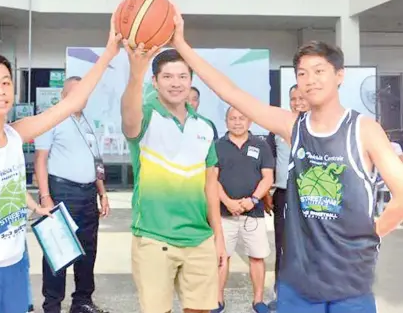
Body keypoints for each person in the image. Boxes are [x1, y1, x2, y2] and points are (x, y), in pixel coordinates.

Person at [170, 11, 403, 313]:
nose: (310, 80)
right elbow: (232, 93)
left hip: (350, 282)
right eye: (302, 73)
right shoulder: (294, 127)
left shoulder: (363, 130)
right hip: (298, 282)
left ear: (339, 75)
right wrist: (182, 45)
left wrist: (373, 232)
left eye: (319, 71)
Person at [0, 18, 121, 313]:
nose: (0, 90)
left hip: (15, 263)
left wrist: (110, 51)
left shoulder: (15, 134)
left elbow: (71, 104)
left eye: (5, 82)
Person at [120, 45, 227, 313]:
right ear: (154, 81)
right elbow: (129, 114)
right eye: (167, 77)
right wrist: (136, 73)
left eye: (182, 76)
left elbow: (209, 186)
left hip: (199, 237)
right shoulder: (145, 118)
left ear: (191, 81)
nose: (176, 83)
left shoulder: (204, 126)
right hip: (155, 237)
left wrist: (219, 238)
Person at [34, 76, 111, 313]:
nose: (80, 98)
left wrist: (102, 192)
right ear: (63, 96)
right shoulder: (52, 119)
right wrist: (45, 197)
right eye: (74, 93)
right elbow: (41, 159)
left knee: (88, 250)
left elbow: (95, 161)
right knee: (58, 250)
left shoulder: (86, 122)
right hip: (62, 191)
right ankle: (52, 305)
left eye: (83, 93)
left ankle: (82, 301)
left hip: (88, 193)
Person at [214, 107, 274, 313]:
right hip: (223, 212)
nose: (237, 122)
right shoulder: (217, 146)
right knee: (221, 257)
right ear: (226, 121)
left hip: (253, 213)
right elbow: (211, 179)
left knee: (257, 256)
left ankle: (258, 301)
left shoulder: (261, 145)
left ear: (250, 122)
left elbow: (268, 177)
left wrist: (254, 199)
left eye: (242, 118)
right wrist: (228, 201)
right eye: (232, 118)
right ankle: (217, 300)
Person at [265, 84, 309, 310]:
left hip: (312, 198)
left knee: (311, 245)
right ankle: (281, 296)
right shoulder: (277, 130)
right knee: (283, 245)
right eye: (293, 98)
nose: (298, 103)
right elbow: (269, 164)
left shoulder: (318, 128)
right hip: (284, 194)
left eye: (302, 98)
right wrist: (267, 192)